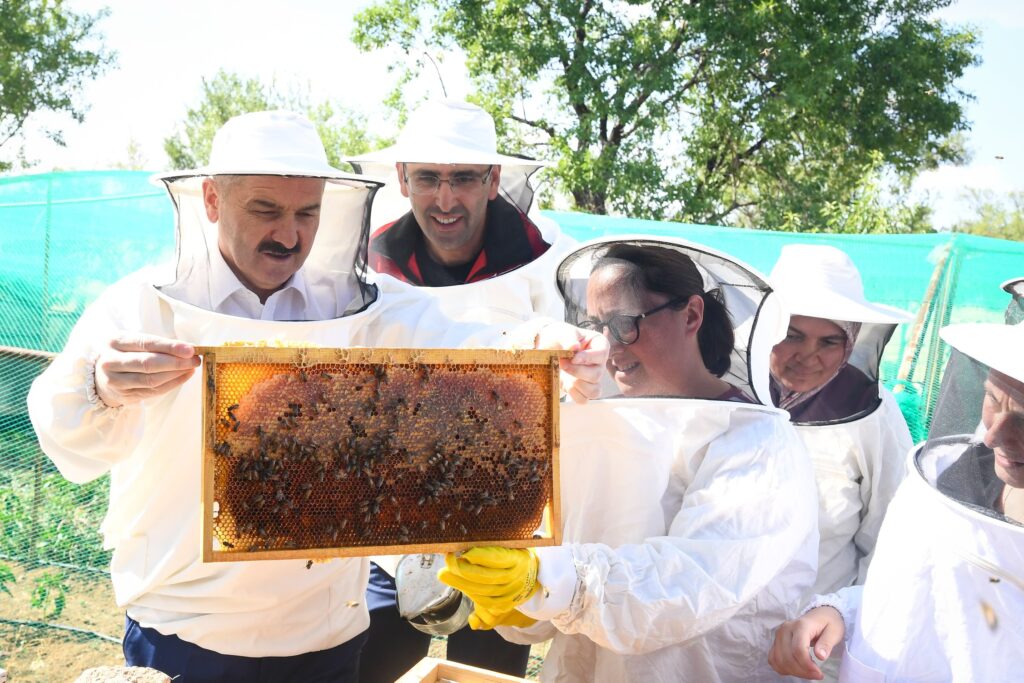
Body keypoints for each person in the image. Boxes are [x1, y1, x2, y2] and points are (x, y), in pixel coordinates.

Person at [26, 111, 607, 682]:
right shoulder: (139, 305)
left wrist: (542, 344)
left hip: (328, 635)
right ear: (210, 200)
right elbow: (65, 434)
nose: (289, 234)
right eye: (265, 210)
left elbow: (468, 343)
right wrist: (102, 386)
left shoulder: (364, 305)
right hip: (184, 631)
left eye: (307, 212)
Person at [439, 237, 821, 682]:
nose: (608, 344)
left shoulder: (758, 442)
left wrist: (548, 579)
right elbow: (569, 568)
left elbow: (688, 584)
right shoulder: (604, 424)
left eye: (623, 323)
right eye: (596, 324)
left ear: (692, 315)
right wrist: (525, 604)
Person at [346, 99, 574, 681]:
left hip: (503, 528)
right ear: (401, 179)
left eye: (464, 179)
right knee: (368, 667)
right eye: (428, 178)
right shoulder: (363, 264)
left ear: (494, 179)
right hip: (389, 523)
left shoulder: (552, 260)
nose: (445, 200)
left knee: (489, 672)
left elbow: (580, 386)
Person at [769, 317, 1024, 682]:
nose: (993, 435)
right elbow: (913, 589)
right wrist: (838, 611)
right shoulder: (953, 476)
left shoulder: (875, 417)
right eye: (992, 400)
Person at [768, 245, 913, 599]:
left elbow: (892, 530)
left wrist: (844, 614)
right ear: (767, 327)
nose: (807, 356)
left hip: (816, 633)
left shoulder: (874, 413)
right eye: (792, 335)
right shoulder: (724, 394)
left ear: (850, 343)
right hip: (719, 631)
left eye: (829, 341)